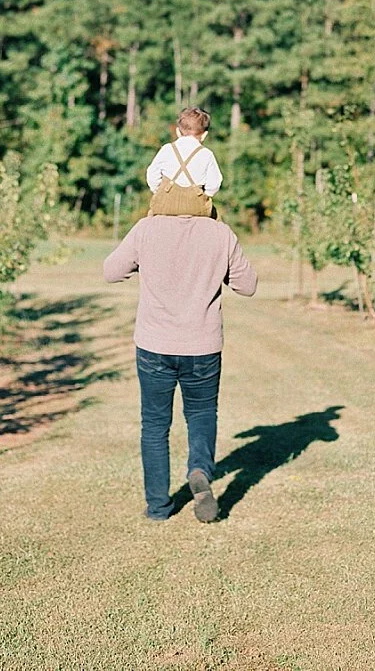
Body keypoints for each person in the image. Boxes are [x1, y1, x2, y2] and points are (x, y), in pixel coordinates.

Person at [103, 211, 257, 522]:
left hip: (154, 345)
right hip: (203, 346)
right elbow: (248, 285)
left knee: (155, 425)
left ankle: (159, 507)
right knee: (201, 414)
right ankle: (199, 470)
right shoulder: (220, 232)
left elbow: (111, 271)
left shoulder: (147, 228)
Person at [146, 107, 223, 218]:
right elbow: (214, 184)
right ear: (204, 135)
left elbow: (152, 175)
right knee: (217, 224)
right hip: (196, 207)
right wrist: (205, 195)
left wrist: (158, 190)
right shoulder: (207, 154)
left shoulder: (167, 149)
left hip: (164, 205)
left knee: (149, 221)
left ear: (178, 131)